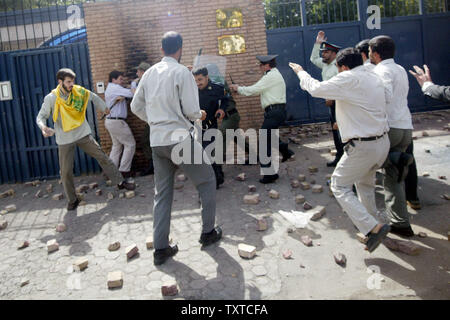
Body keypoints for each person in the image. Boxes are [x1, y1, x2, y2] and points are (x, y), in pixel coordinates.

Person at [131, 31, 222, 266]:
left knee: (162, 195)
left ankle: (160, 248)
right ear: (180, 49)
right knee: (207, 181)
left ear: (162, 50)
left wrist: (154, 120)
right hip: (180, 139)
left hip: (158, 141)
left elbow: (135, 106)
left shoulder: (149, 73)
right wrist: (199, 114)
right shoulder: (183, 72)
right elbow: (193, 111)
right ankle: (208, 232)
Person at [289, 48, 390, 253]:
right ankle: (373, 227)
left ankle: (372, 227)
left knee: (339, 185)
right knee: (364, 185)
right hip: (381, 143)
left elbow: (316, 88)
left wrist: (301, 72)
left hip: (363, 147)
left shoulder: (348, 78)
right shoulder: (373, 76)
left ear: (343, 67)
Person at [36, 68, 135, 211]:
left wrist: (104, 107)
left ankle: (120, 182)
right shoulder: (51, 98)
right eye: (68, 82)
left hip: (82, 134)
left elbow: (93, 96)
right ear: (60, 82)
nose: (72, 84)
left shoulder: (78, 91)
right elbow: (41, 116)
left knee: (102, 157)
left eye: (73, 81)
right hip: (64, 139)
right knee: (65, 172)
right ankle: (72, 200)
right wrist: (43, 127)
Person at [369, 35, 415, 237]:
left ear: (376, 54)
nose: (369, 55)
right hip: (406, 127)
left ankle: (395, 222)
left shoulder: (381, 70)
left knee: (381, 170)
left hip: (391, 128)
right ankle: (401, 221)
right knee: (394, 176)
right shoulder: (400, 69)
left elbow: (384, 97)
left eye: (370, 51)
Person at [230, 54, 294, 184]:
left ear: (267, 65)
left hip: (274, 112)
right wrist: (241, 89)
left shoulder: (271, 76)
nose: (259, 67)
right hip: (275, 112)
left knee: (264, 141)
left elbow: (255, 89)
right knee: (270, 138)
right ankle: (285, 150)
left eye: (261, 64)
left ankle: (269, 175)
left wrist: (238, 88)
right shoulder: (271, 75)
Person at [311, 31, 344, 167]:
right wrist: (317, 43)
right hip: (331, 104)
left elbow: (341, 85)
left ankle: (346, 158)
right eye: (323, 51)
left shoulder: (339, 66)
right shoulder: (325, 64)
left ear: (334, 54)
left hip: (340, 103)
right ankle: (340, 156)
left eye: (326, 52)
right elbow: (313, 59)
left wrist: (333, 98)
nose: (323, 54)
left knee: (343, 131)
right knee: (336, 131)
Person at [192, 67, 226, 189]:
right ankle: (218, 177)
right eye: (195, 80)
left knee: (208, 152)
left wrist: (222, 109)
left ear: (207, 77)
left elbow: (226, 100)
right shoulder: (192, 90)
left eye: (200, 79)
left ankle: (214, 181)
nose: (198, 83)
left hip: (211, 125)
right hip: (196, 126)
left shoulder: (217, 88)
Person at [104, 70, 136, 178]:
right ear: (114, 79)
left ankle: (111, 173)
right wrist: (133, 84)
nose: (122, 81)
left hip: (111, 121)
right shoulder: (115, 88)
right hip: (117, 121)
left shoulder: (112, 88)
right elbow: (132, 93)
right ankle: (124, 171)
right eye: (120, 79)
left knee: (117, 146)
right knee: (130, 144)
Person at [131, 62, 154, 176]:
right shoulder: (152, 81)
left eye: (138, 71)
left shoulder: (143, 82)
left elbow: (136, 95)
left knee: (146, 140)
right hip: (154, 115)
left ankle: (153, 166)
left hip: (152, 117)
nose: (137, 73)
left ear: (143, 72)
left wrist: (133, 84)